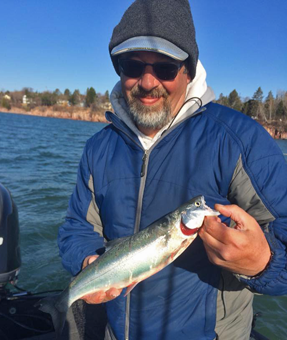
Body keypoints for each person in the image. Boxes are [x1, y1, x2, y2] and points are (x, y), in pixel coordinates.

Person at [58, 0, 287, 339]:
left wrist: (263, 262)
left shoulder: (240, 139)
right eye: (132, 66)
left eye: (165, 68)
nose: (148, 82)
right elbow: (77, 226)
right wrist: (87, 263)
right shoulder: (98, 148)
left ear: (188, 71)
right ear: (118, 70)